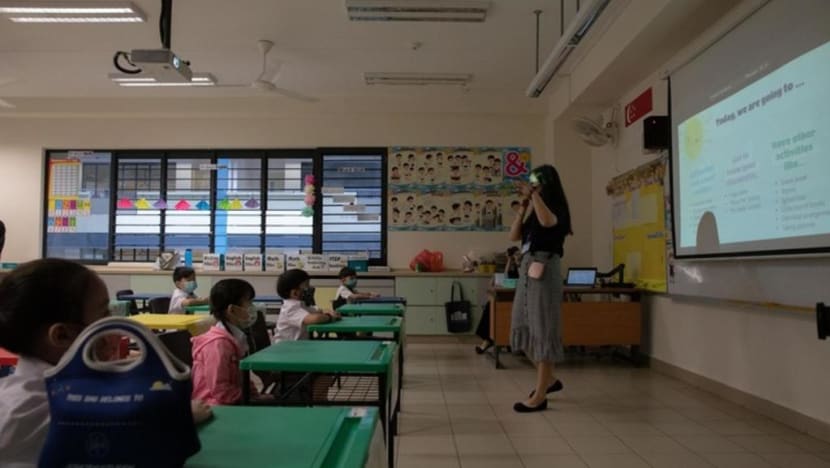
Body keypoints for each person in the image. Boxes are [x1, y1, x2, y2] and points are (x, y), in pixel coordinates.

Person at [0, 259, 213, 465]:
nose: (114, 321)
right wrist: (181, 416)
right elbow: (135, 433)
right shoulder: (37, 413)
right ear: (62, 336)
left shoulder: (54, 389)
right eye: (104, 313)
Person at [508, 164, 572, 413]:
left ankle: (540, 396)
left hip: (545, 268)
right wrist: (523, 207)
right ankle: (551, 381)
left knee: (543, 329)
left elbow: (548, 222)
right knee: (521, 326)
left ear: (547, 184)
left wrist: (534, 196)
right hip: (527, 269)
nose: (533, 186)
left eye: (537, 183)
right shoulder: (534, 209)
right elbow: (514, 236)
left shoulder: (557, 208)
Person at [191, 279, 260, 406]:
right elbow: (220, 390)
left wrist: (255, 396)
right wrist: (249, 399)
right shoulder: (218, 345)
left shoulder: (236, 337)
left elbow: (242, 377)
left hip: (231, 401)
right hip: (214, 407)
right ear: (232, 310)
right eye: (249, 303)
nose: (252, 308)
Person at [475, 246, 521, 354]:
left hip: (517, 302)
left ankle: (503, 342)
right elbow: (499, 280)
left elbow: (523, 278)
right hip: (502, 299)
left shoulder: (524, 266)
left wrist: (518, 262)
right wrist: (509, 262)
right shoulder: (503, 267)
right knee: (490, 308)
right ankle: (487, 340)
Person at [275, 269, 341, 343]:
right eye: (306, 286)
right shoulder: (290, 308)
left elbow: (316, 311)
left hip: (298, 346)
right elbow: (315, 318)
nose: (310, 288)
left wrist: (327, 311)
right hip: (287, 350)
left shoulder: (300, 305)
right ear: (295, 292)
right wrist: (330, 317)